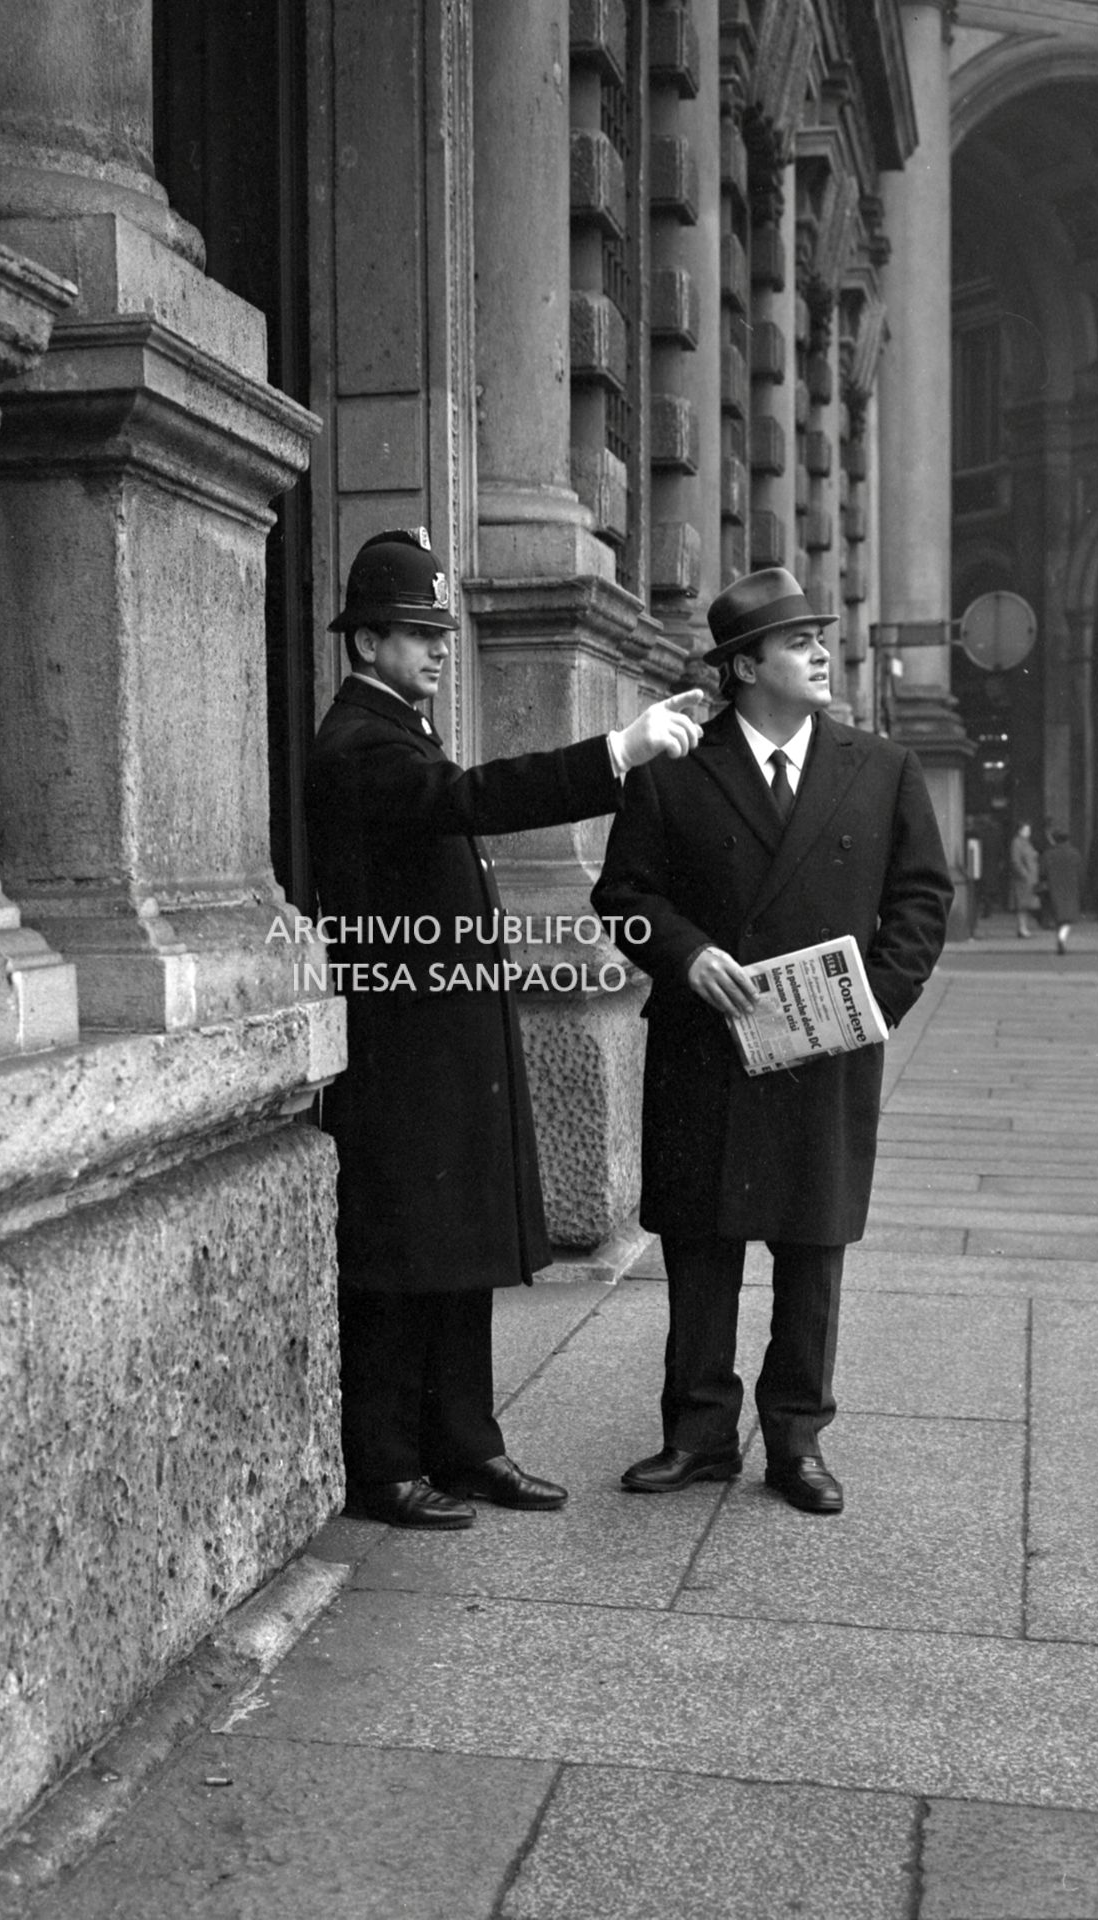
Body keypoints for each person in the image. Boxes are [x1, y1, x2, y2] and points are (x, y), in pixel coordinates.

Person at [306, 528, 704, 1529]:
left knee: (458, 1250)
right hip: (401, 1049)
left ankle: (466, 1443)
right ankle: (386, 1463)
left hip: (439, 1042)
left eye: (441, 631)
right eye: (414, 633)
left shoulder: (397, 728)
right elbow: (470, 802)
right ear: (364, 643)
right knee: (401, 1263)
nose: (440, 649)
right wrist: (619, 751)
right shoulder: (359, 743)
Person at [592, 567, 952, 1515]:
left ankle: (796, 1441)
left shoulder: (881, 769)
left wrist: (869, 1002)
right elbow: (621, 896)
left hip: (826, 1048)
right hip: (706, 1042)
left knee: (812, 1243)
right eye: (799, 642)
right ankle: (698, 1436)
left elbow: (922, 901)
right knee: (701, 1246)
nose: (822, 652)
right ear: (744, 666)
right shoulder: (675, 770)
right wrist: (685, 954)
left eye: (821, 636)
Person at [1040, 829, 1083, 955]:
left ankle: (1060, 937)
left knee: (1058, 916)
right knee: (1068, 918)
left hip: (1054, 887)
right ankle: (1062, 938)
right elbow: (1080, 872)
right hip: (1070, 888)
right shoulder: (1074, 853)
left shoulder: (1049, 854)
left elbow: (1042, 871)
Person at [1009, 821, 1041, 939]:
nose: (1028, 832)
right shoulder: (1017, 843)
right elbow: (1015, 860)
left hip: (1030, 878)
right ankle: (1022, 928)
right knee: (1022, 905)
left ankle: (1024, 927)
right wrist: (1024, 874)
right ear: (1020, 830)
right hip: (1023, 879)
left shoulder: (1026, 843)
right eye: (1026, 830)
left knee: (1026, 905)